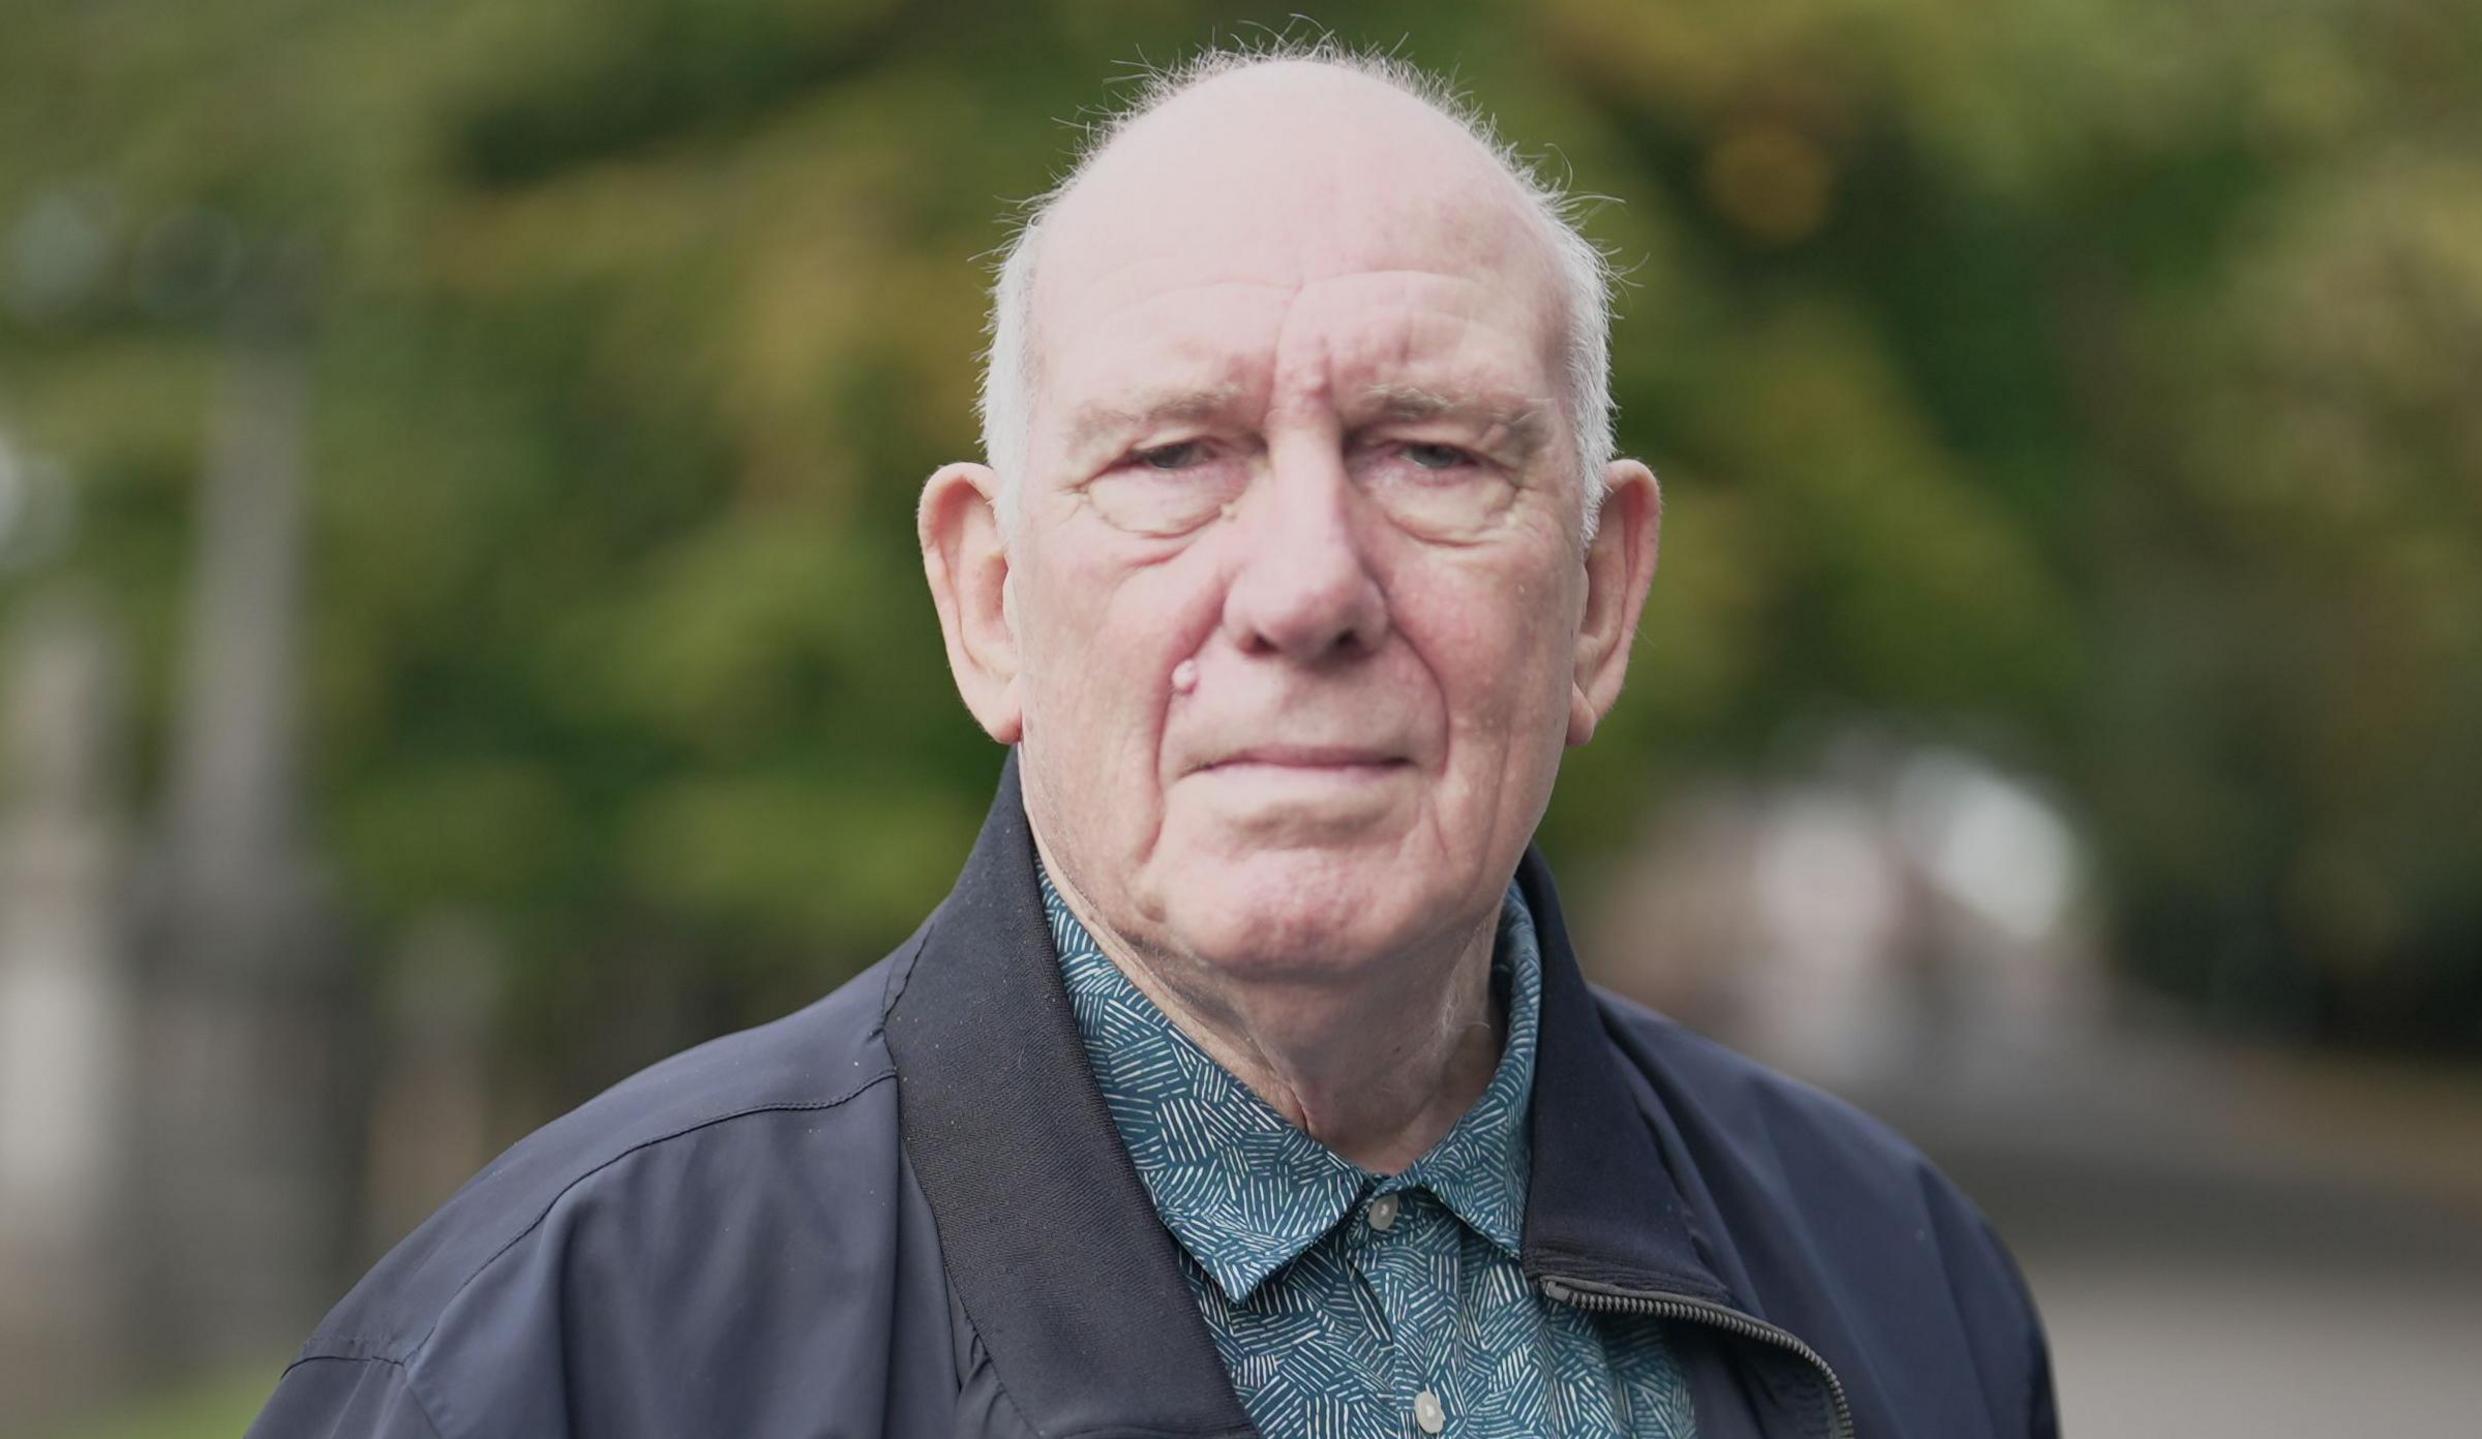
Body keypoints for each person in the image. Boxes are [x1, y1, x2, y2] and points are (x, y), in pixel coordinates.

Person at [248, 46, 2057, 1439]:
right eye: (1173, 456)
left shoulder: (1899, 1285)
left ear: (1595, 597)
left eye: (1430, 452)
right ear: (988, 601)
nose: (1304, 586)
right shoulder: (563, 1348)